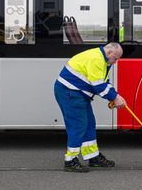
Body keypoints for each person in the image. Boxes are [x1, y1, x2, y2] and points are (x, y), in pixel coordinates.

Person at [54, 42, 126, 173]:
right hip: (70, 92)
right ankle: (70, 160)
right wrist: (115, 98)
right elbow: (98, 86)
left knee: (89, 123)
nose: (116, 62)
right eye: (116, 58)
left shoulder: (103, 59)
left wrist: (115, 96)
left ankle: (92, 157)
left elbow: (103, 82)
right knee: (78, 125)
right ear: (109, 53)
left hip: (75, 93)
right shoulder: (97, 59)